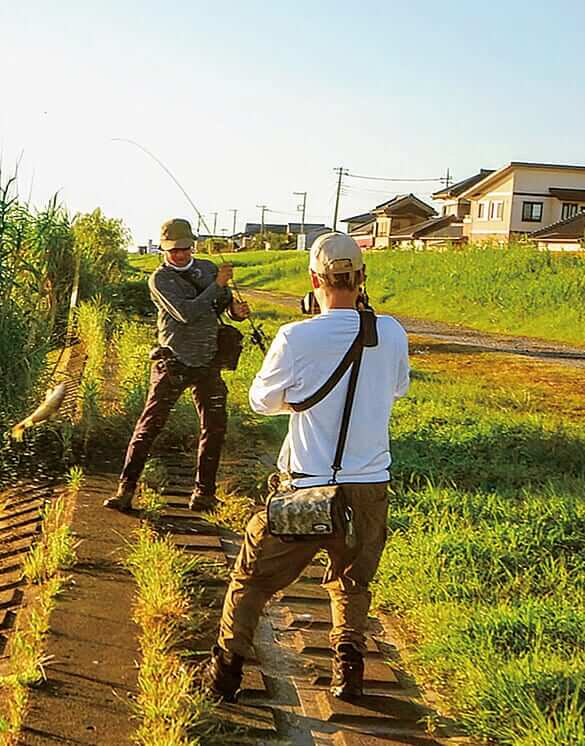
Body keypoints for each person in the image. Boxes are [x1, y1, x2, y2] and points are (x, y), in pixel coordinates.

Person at [203, 232, 410, 702]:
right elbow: (395, 389)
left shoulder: (295, 336)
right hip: (368, 488)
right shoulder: (392, 331)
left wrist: (295, 397)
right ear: (361, 279)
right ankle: (348, 669)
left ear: (314, 279)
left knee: (252, 579)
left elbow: (260, 401)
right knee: (352, 581)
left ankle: (225, 674)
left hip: (305, 490)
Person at [103, 217, 250, 513]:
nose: (179, 254)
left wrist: (236, 311)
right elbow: (186, 313)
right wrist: (217, 285)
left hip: (208, 359)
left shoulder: (208, 268)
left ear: (192, 245)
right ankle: (125, 490)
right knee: (149, 427)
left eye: (184, 248)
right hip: (173, 361)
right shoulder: (160, 279)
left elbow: (221, 306)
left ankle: (204, 494)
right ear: (163, 250)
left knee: (215, 426)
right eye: (173, 250)